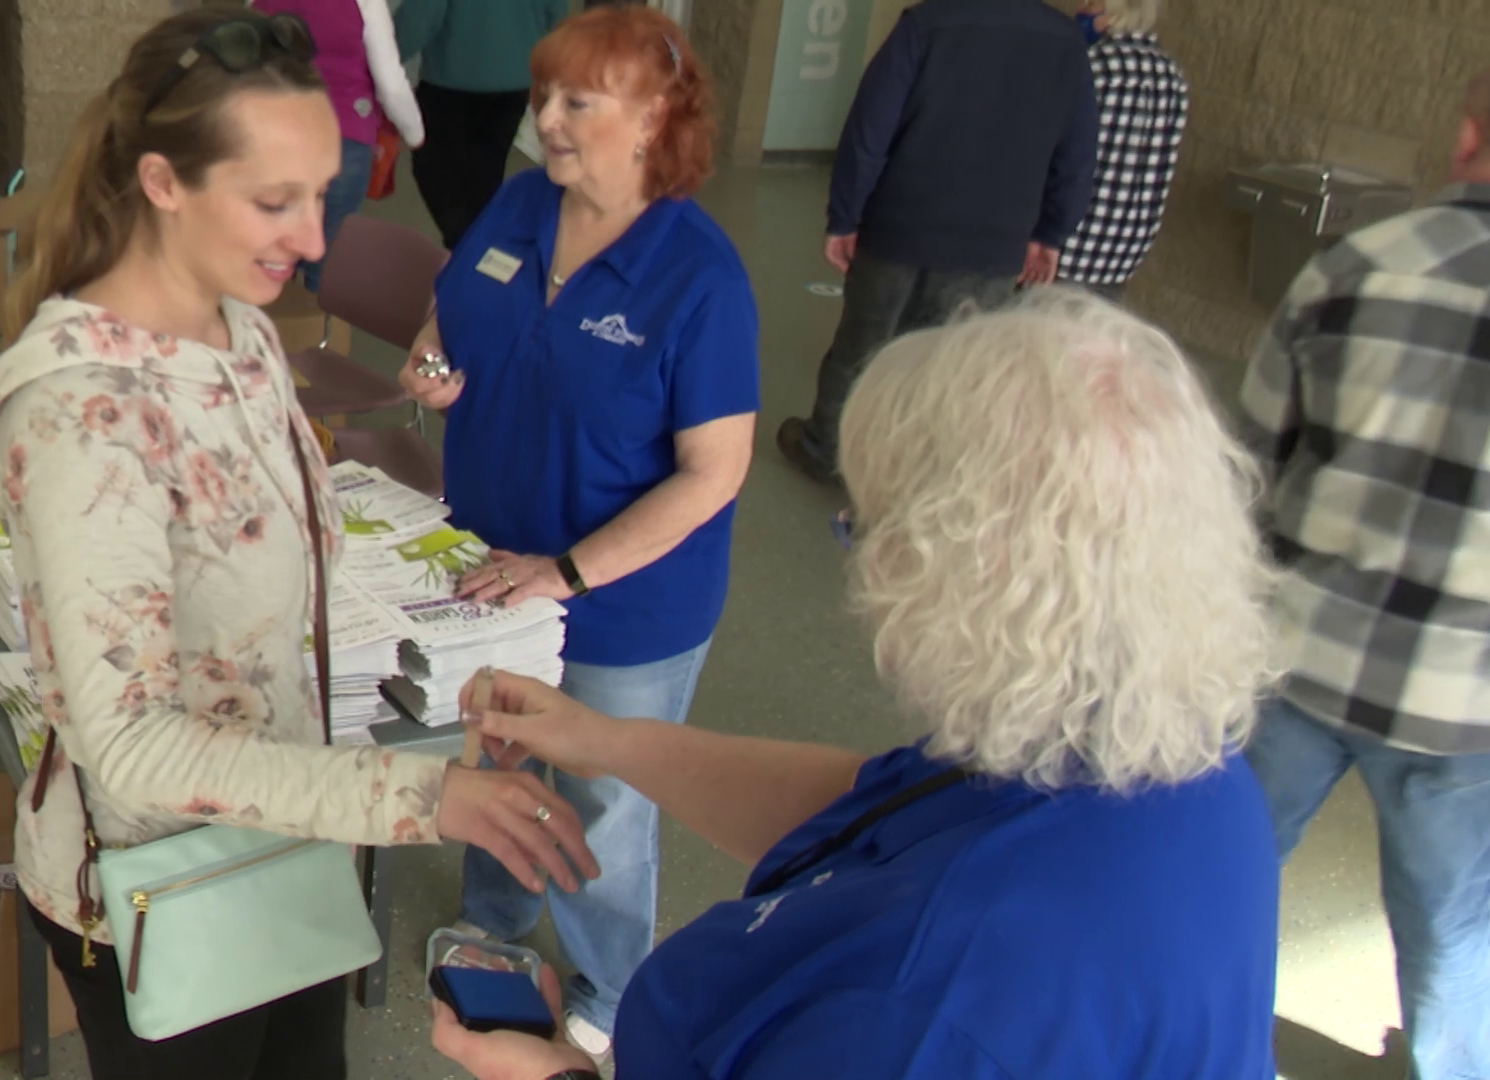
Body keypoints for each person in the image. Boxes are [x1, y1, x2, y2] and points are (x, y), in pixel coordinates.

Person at [0, 8, 597, 1078]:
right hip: (155, 888)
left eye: (321, 191)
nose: (313, 238)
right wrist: (423, 796)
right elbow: (133, 747)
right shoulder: (80, 410)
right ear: (162, 181)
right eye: (274, 202)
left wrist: (446, 711)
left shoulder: (245, 331)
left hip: (283, 837)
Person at [432, 289, 1283, 1080]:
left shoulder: (918, 1020)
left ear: (959, 578)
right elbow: (874, 808)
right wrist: (602, 740)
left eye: (864, 527)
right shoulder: (1178, 766)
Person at [397, 5, 758, 1063]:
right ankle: (495, 930)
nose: (545, 120)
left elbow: (715, 476)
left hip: (624, 601)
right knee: (503, 758)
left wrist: (565, 573)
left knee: (603, 800)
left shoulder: (701, 277)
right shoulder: (519, 206)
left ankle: (609, 982)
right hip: (489, 570)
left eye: (575, 103)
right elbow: (447, 310)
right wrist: (430, 361)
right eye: (542, 96)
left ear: (652, 119)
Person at [1238, 72, 1490, 1080]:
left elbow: (1249, 466)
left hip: (1298, 654)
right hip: (1464, 700)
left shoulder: (1355, 264)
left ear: (1469, 136)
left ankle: (1197, 1046)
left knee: (1223, 876)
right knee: (1454, 934)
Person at [776, 0, 1098, 485]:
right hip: (995, 243)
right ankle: (919, 472)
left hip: (898, 227)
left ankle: (827, 450)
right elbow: (1077, 152)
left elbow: (870, 129)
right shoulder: (1067, 43)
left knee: (864, 345)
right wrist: (1051, 232)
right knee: (954, 362)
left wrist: (845, 215)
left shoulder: (926, 26)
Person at [250, 0, 424, 292]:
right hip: (344, 136)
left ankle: (270, 322)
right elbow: (391, 85)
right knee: (328, 250)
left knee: (272, 239)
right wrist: (414, 132)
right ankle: (322, 327)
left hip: (274, 134)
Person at [395, 0, 568, 250]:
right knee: (485, 172)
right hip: (515, 79)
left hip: (452, 80)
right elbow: (556, 13)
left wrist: (386, 57)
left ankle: (467, 249)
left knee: (435, 168)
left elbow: (421, 16)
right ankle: (479, 252)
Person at [1055, 0, 1188, 303]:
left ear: (1113, 12)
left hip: (1066, 242)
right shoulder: (1172, 76)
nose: (1080, 9)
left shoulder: (1089, 65)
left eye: (1090, 3)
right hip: (1124, 247)